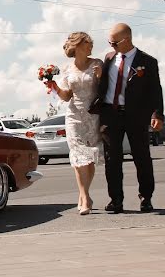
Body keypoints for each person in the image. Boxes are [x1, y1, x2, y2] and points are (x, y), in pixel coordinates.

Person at [98, 23, 164, 213]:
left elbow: (155, 90)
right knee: (112, 159)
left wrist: (157, 114)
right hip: (111, 114)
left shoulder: (148, 61)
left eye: (114, 43)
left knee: (141, 157)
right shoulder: (109, 59)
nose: (111, 46)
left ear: (126, 40)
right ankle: (115, 200)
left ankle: (146, 197)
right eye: (109, 43)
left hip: (136, 114)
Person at [46, 31, 104, 215]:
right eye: (87, 44)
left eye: (91, 44)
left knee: (90, 157)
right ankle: (85, 196)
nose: (91, 47)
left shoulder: (97, 64)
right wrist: (54, 87)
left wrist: (101, 76)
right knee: (78, 157)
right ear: (78, 46)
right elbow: (65, 95)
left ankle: (83, 195)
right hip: (73, 116)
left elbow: (106, 88)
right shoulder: (67, 69)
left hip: (92, 114)